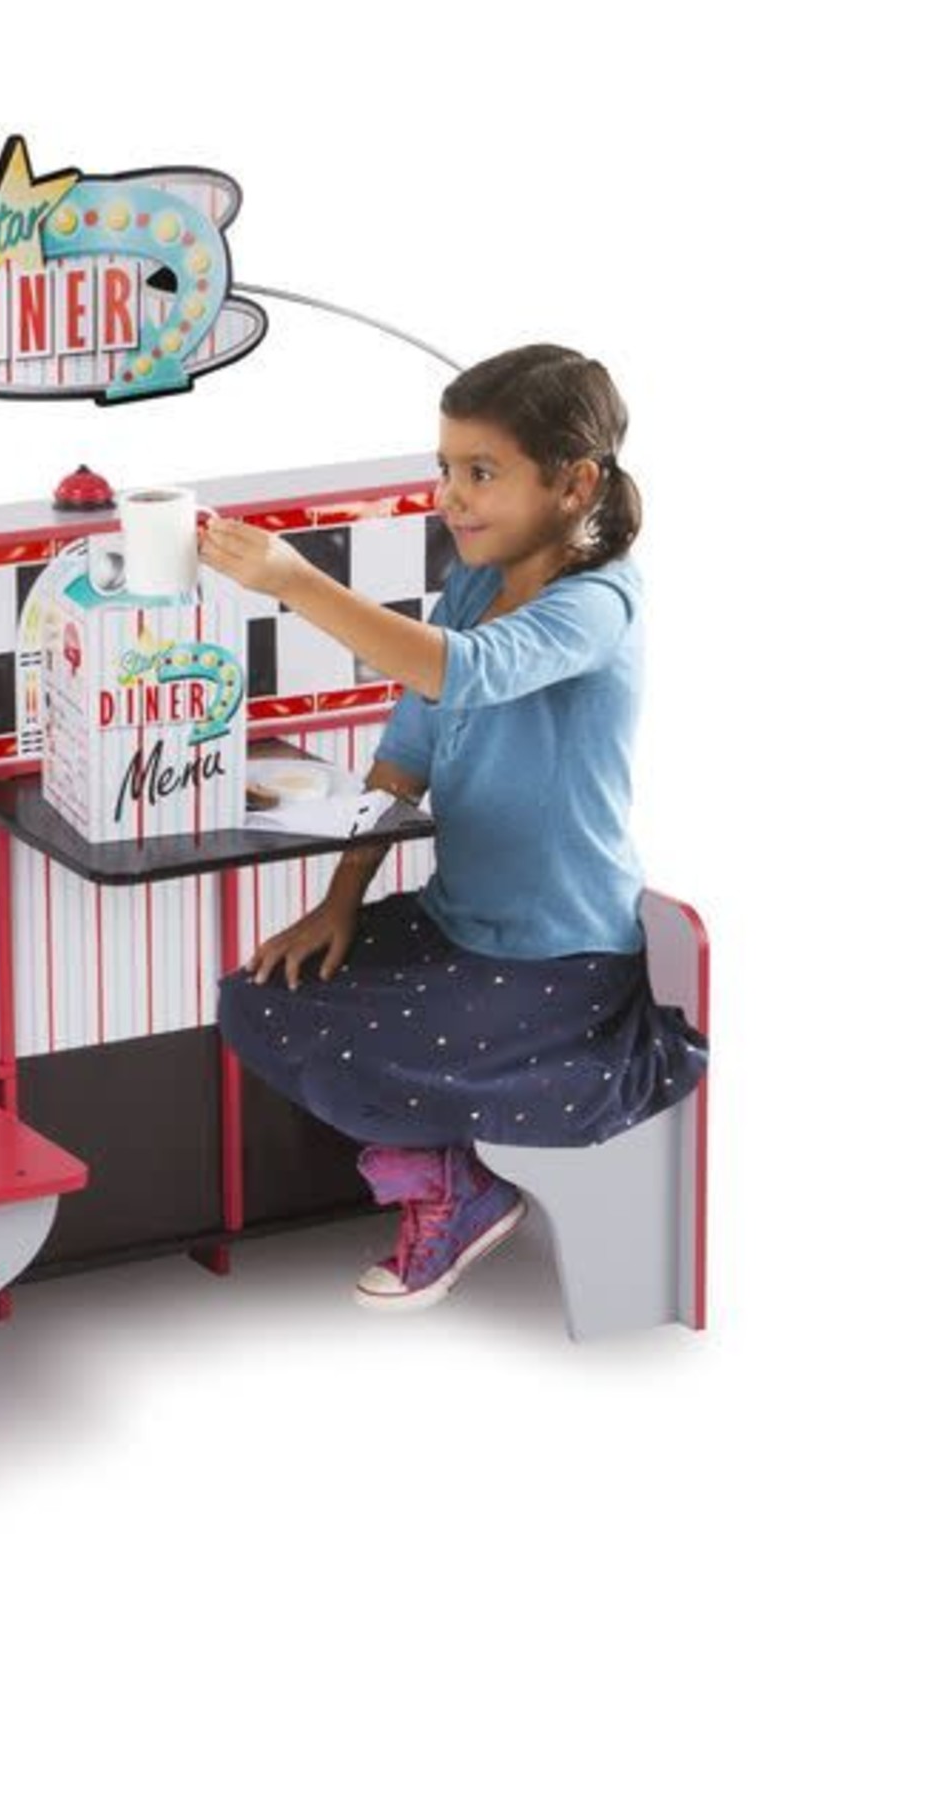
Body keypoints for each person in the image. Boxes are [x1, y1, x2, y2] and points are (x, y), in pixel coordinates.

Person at [197, 344, 708, 1314]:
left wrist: (294, 581)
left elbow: (457, 670)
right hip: (456, 920)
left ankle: (452, 1192)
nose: (451, 498)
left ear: (573, 484)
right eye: (445, 468)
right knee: (256, 997)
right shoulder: (478, 581)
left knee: (344, 1050)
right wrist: (336, 901)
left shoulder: (597, 606)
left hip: (563, 957)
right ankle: (450, 1174)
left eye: (481, 472)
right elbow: (407, 748)